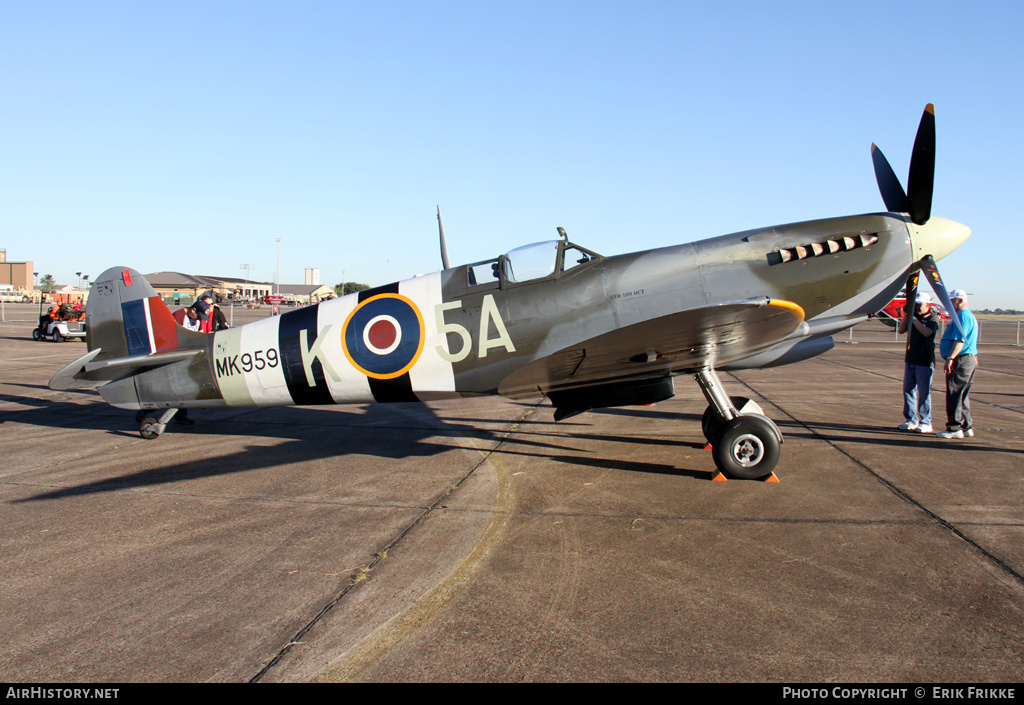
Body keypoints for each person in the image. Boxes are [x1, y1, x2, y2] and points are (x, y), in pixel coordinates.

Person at [937, 289, 979, 439]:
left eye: (951, 301)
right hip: (968, 358)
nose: (949, 305)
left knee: (954, 393)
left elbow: (959, 340)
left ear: (959, 301)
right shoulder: (967, 315)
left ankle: (954, 427)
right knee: (962, 394)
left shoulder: (962, 316)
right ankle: (966, 426)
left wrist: (950, 358)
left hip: (962, 359)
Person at [897, 292, 939, 433]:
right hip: (911, 358)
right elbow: (901, 330)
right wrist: (907, 317)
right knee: (908, 390)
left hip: (925, 360)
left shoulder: (932, 318)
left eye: (919, 305)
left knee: (924, 392)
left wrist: (914, 320)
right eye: (915, 304)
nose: (917, 307)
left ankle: (926, 421)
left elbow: (927, 332)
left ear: (927, 305)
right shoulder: (913, 317)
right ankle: (911, 419)